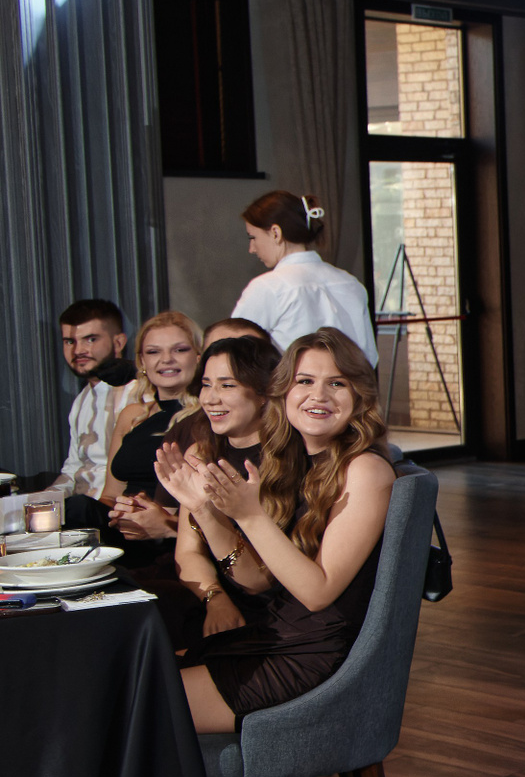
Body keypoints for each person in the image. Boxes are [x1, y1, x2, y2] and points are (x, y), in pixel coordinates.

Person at [166, 327, 394, 735]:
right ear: (284, 392)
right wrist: (203, 509)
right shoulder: (296, 464)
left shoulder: (365, 469)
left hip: (309, 655)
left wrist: (250, 516)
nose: (318, 396)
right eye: (304, 381)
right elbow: (259, 582)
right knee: (126, 677)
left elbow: (318, 592)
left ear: (359, 395)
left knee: (133, 704)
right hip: (272, 636)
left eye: (336, 383)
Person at [146, 336, 280, 643]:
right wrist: (214, 597)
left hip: (268, 608)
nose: (210, 398)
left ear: (263, 393)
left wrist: (205, 511)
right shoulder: (200, 452)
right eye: (206, 385)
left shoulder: (282, 461)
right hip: (209, 594)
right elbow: (188, 552)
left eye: (227, 385)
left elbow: (259, 582)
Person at [231, 190, 379, 366]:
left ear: (275, 233)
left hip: (294, 383)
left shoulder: (268, 287)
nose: (252, 248)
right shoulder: (350, 283)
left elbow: (234, 354)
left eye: (253, 237)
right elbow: (370, 357)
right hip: (351, 383)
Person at [100, 312, 203, 519]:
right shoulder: (132, 415)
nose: (166, 359)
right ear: (142, 361)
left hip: (175, 527)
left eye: (179, 350)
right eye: (154, 352)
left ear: (198, 356)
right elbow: (110, 496)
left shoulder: (208, 416)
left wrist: (163, 523)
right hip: (120, 523)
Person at [48, 299, 132, 499]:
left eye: (90, 339)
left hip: (117, 509)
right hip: (80, 506)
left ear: (118, 343)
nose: (78, 350)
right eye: (70, 342)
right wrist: (41, 501)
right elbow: (72, 470)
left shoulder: (139, 394)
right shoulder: (81, 400)